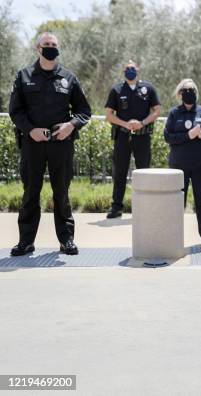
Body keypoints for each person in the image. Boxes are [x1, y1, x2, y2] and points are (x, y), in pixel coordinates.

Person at [8, 32, 91, 256]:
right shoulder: (24, 76)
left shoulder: (68, 78)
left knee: (61, 193)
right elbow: (15, 110)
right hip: (32, 144)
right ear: (38, 49)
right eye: (46, 44)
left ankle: (67, 240)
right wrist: (30, 130)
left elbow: (84, 111)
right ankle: (26, 241)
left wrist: (71, 125)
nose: (51, 47)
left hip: (61, 144)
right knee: (30, 193)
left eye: (54, 44)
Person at [164, 79, 201, 246]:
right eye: (186, 90)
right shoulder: (174, 113)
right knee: (179, 201)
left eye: (192, 89)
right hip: (179, 165)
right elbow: (168, 137)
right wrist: (188, 136)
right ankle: (174, 236)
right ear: (180, 93)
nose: (189, 92)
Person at [105, 60, 161, 218]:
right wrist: (127, 124)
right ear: (123, 71)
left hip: (142, 136)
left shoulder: (148, 88)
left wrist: (141, 123)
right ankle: (116, 207)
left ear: (138, 70)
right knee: (120, 172)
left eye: (133, 68)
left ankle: (146, 207)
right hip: (122, 136)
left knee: (144, 171)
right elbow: (109, 115)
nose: (130, 70)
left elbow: (157, 111)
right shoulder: (116, 89)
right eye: (127, 68)